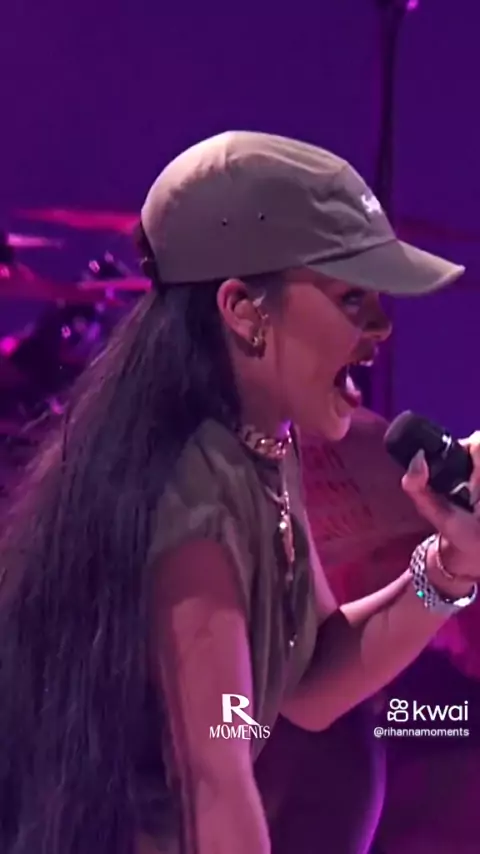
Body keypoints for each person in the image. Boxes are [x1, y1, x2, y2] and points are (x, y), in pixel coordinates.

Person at [0, 130, 479, 854]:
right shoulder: (190, 493)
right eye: (352, 297)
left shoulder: (259, 447)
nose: (383, 325)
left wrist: (449, 567)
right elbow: (213, 781)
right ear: (245, 311)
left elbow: (311, 679)